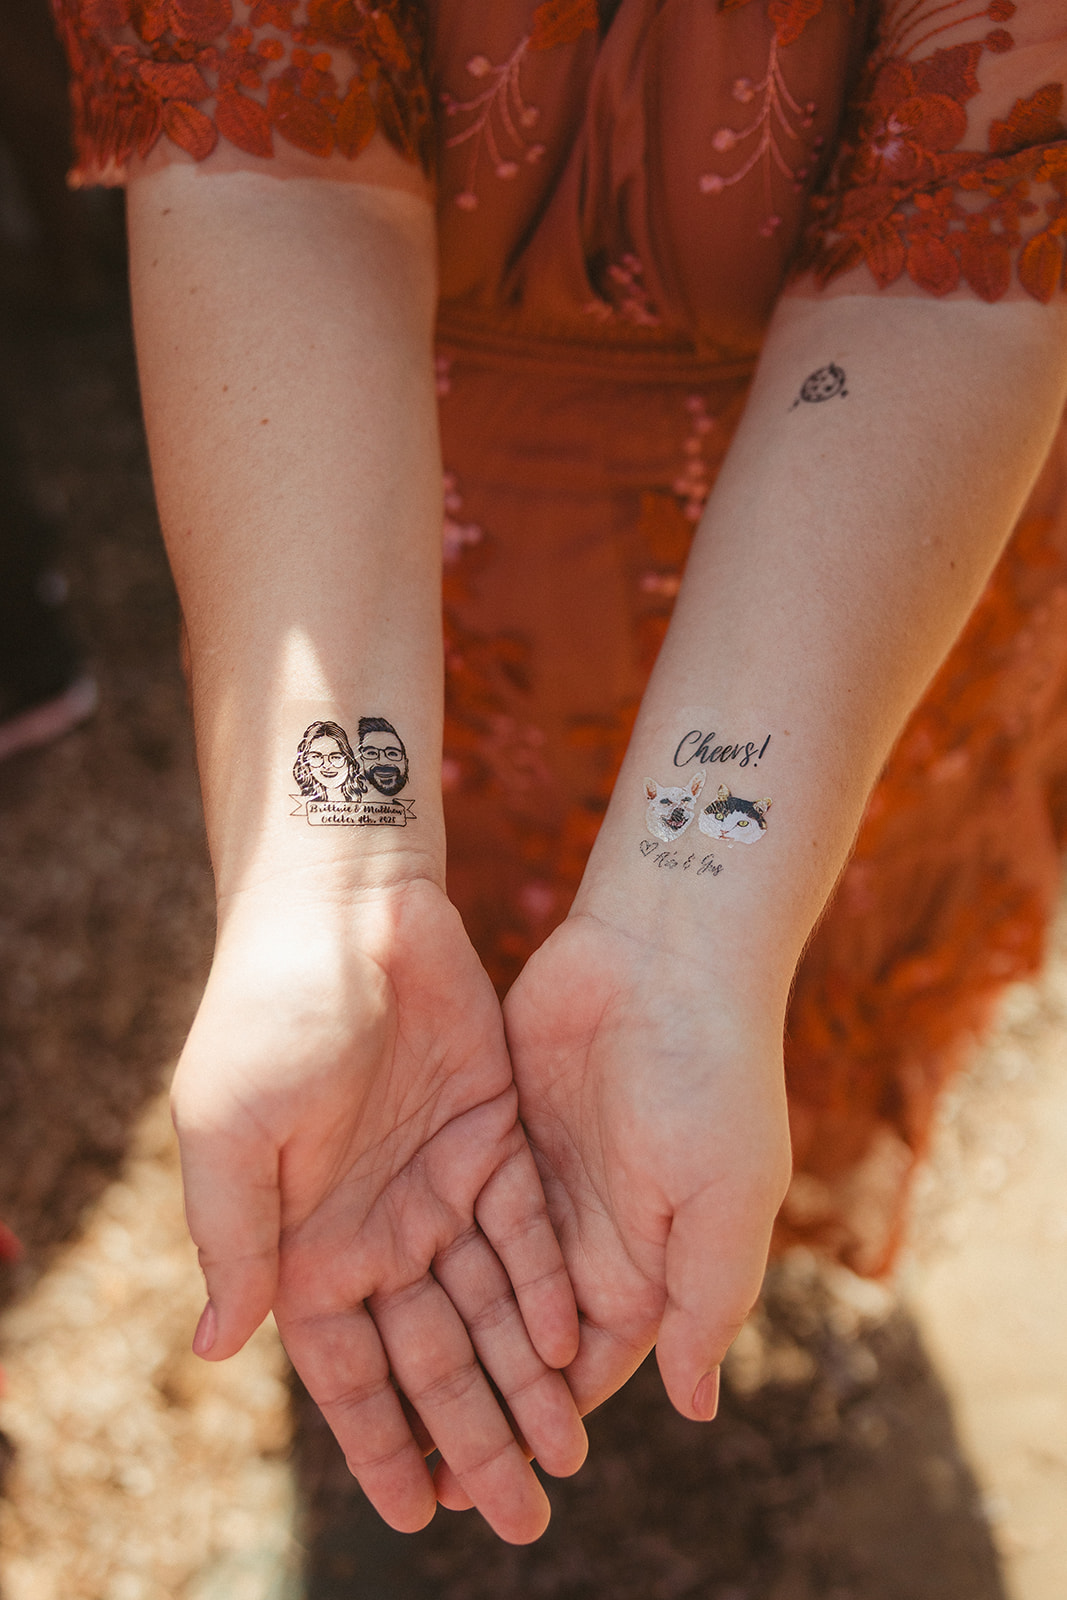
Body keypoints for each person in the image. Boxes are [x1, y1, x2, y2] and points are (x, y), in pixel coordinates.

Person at [51, 0, 1067, 1549]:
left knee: (803, 938)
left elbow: (970, 228)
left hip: (869, 534)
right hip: (376, 486)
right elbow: (271, 128)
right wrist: (331, 888)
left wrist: (692, 939)